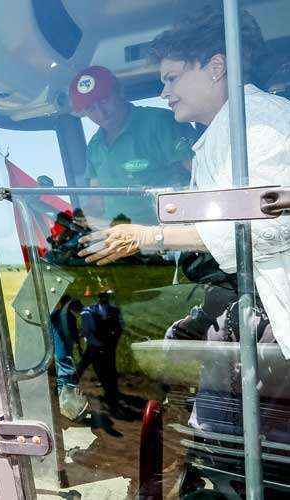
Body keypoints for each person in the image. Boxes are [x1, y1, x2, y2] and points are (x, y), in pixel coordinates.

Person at [78, 6, 290, 358]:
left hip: (274, 305)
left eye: (171, 78)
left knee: (124, 320)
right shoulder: (221, 133)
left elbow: (269, 222)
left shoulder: (261, 124)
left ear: (216, 68)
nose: (164, 92)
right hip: (253, 295)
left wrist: (149, 236)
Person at [70, 65, 198, 225]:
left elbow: (201, 177)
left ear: (120, 92)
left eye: (104, 101)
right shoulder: (94, 147)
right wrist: (71, 220)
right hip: (122, 243)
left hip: (171, 236)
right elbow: (97, 202)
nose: (101, 113)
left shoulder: (161, 123)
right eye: (90, 108)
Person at [77, 292, 124, 415]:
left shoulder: (114, 311)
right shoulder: (89, 311)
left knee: (110, 370)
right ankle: (69, 386)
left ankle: (112, 397)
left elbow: (120, 327)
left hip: (109, 346)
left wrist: (113, 341)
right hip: (94, 345)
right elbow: (86, 332)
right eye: (101, 296)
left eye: (105, 296)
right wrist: (96, 343)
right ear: (98, 297)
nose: (103, 298)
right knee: (84, 365)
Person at [49, 296, 89, 420]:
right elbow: (73, 334)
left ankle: (63, 404)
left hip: (59, 350)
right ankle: (70, 407)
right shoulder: (65, 316)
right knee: (68, 374)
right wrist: (79, 345)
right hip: (64, 351)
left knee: (62, 377)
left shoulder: (55, 315)